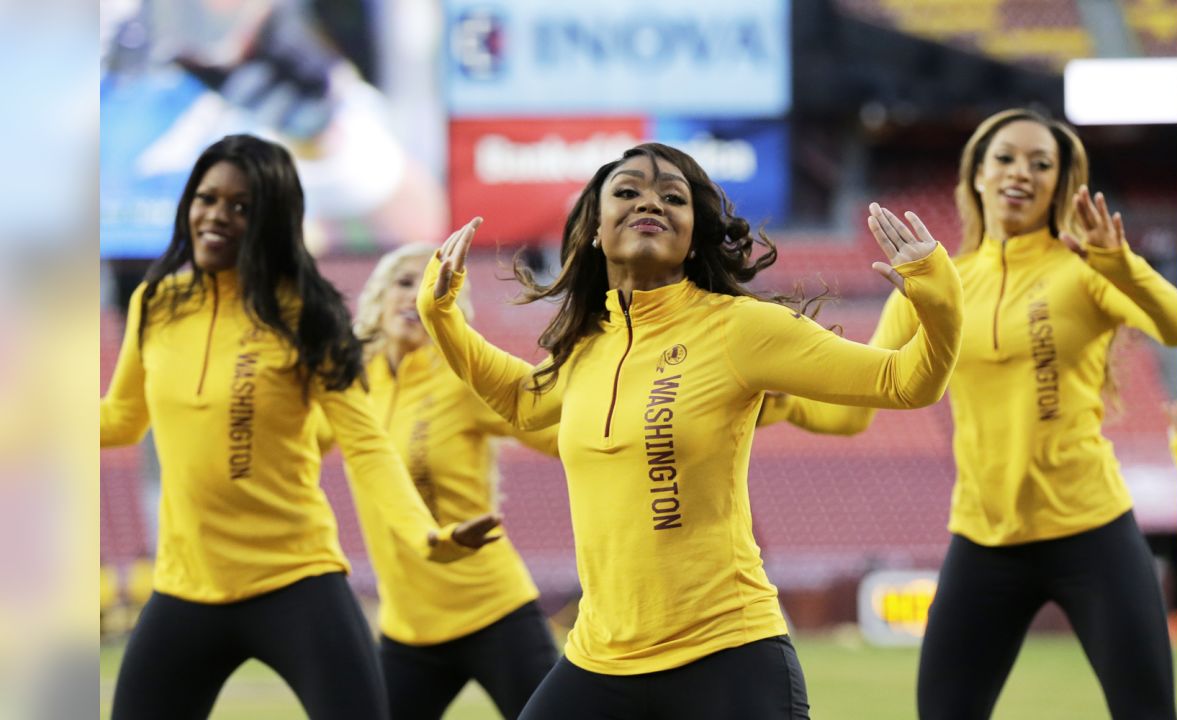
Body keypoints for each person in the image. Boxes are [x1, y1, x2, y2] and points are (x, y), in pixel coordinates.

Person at [415, 142, 965, 719]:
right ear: (596, 231)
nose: (649, 202)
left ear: (693, 234)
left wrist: (938, 294)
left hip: (726, 657)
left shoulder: (741, 329)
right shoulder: (587, 346)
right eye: (627, 192)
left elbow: (906, 382)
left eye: (672, 197)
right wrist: (442, 319)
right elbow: (524, 404)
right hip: (599, 665)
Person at [761, 109, 1177, 718]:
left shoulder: (1088, 271)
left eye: (1043, 165)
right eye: (1005, 158)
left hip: (1093, 530)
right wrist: (780, 401)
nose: (1021, 173)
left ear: (1060, 187)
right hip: (984, 539)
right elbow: (856, 409)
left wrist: (1121, 263)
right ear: (977, 175)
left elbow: (1176, 325)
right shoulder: (938, 283)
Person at [99, 134, 500, 720]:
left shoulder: (307, 315)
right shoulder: (156, 304)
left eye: (241, 206)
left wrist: (426, 534)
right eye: (207, 198)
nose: (217, 216)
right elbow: (122, 419)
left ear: (273, 219)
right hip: (186, 586)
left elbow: (365, 445)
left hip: (295, 579)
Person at [326, 243, 560, 719]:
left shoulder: (462, 379)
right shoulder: (353, 384)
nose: (415, 298)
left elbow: (559, 435)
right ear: (379, 293)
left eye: (430, 287)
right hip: (407, 630)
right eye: (405, 282)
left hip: (495, 612)